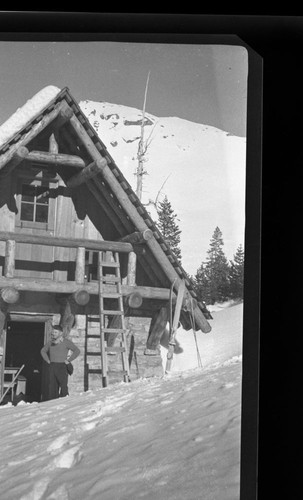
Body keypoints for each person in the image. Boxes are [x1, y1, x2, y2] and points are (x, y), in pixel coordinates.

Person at [40, 325, 80, 400]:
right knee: (52, 388)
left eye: (55, 332)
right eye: (52, 332)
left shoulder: (66, 342)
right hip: (52, 367)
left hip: (62, 367)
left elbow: (77, 351)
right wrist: (47, 360)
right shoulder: (50, 343)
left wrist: (69, 360)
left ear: (60, 333)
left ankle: (64, 405)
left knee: (63, 387)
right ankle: (53, 406)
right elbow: (42, 351)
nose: (53, 333)